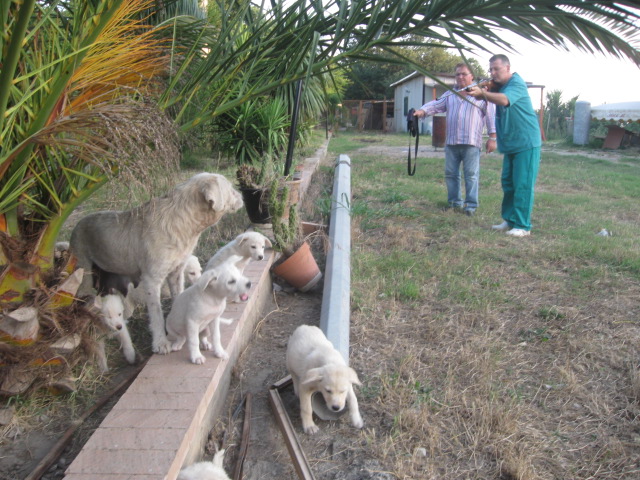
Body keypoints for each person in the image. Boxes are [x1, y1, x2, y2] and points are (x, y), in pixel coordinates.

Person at [467, 54, 541, 237]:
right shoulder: (501, 86)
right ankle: (510, 220)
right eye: (490, 69)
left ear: (507, 68)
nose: (493, 73)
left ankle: (523, 226)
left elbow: (504, 100)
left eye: (496, 69)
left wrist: (483, 93)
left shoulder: (516, 84)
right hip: (511, 144)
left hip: (526, 142)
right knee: (508, 183)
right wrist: (485, 91)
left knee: (522, 185)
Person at [414, 63, 497, 217]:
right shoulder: (450, 94)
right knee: (451, 174)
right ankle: (454, 203)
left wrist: (492, 138)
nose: (460, 77)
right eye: (457, 74)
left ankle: (471, 205)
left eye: (464, 74)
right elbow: (435, 105)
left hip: (471, 142)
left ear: (472, 76)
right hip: (452, 142)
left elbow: (491, 117)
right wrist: (421, 111)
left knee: (471, 175)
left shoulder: (482, 95)